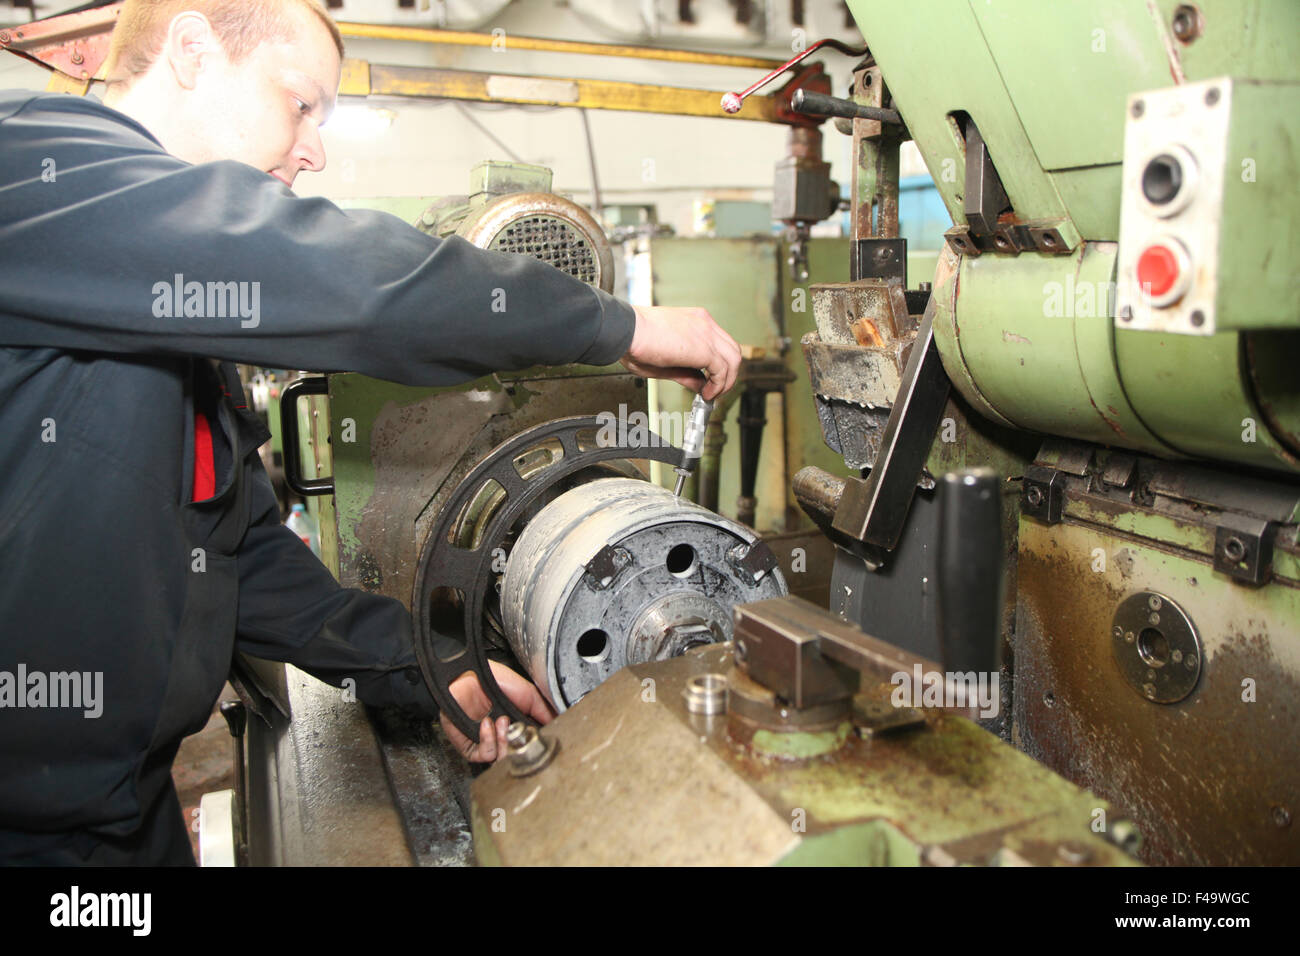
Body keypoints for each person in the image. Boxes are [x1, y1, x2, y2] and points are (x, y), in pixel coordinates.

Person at [0, 0, 741, 865]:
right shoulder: (37, 173)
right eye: (300, 103)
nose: (313, 148)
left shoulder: (169, 318)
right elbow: (345, 280)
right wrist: (619, 327)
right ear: (194, 51)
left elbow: (236, 554)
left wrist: (428, 670)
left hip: (118, 811)